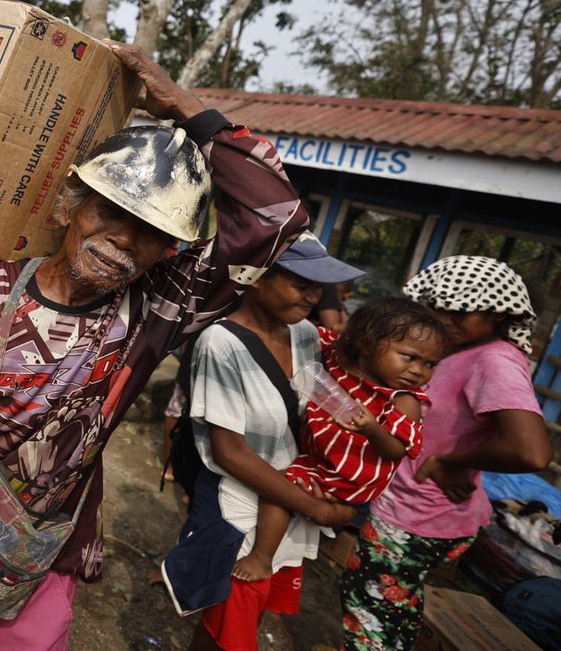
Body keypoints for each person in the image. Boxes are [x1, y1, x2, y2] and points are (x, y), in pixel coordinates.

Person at [0, 43, 312, 650]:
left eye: (152, 232)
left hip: (41, 553)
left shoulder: (156, 309)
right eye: (110, 211)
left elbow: (275, 213)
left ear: (170, 250)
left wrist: (180, 104)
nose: (123, 239)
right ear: (72, 204)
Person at [160, 232, 362, 651]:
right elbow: (229, 453)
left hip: (287, 507)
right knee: (226, 629)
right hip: (240, 509)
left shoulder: (306, 335)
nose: (312, 296)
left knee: (242, 620)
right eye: (300, 283)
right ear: (255, 277)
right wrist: (314, 508)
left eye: (317, 286)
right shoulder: (221, 343)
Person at [340, 255, 551, 650]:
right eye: (437, 307)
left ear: (498, 312)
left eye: (461, 311)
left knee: (368, 612)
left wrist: (451, 461)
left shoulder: (496, 361)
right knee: (391, 608)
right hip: (415, 508)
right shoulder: (459, 348)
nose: (446, 318)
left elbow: (532, 452)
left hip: (418, 515)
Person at [231, 296, 447, 583]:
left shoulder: (401, 400)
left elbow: (396, 450)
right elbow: (306, 333)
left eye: (430, 364)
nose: (418, 371)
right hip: (324, 454)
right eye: (409, 357)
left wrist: (373, 430)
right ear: (366, 344)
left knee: (279, 488)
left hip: (349, 472)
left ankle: (261, 557)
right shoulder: (339, 359)